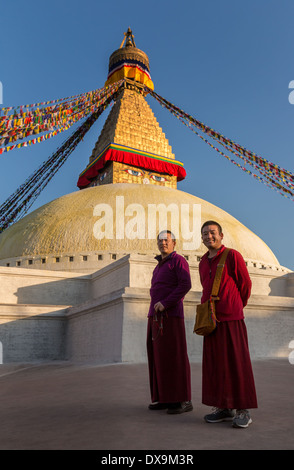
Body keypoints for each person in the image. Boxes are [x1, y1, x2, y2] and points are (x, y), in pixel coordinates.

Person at [198, 220, 258, 428]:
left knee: (236, 364)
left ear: (221, 235)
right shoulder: (203, 262)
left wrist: (235, 305)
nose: (209, 237)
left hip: (231, 318)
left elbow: (245, 285)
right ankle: (223, 407)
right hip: (211, 321)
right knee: (216, 365)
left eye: (212, 233)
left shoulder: (232, 255)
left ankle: (243, 410)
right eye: (205, 234)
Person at [146, 230, 193, 414]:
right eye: (160, 240)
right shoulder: (158, 266)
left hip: (171, 316)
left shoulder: (178, 261)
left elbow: (185, 285)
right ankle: (164, 397)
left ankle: (183, 400)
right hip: (155, 317)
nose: (163, 243)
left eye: (166, 240)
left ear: (174, 243)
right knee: (158, 359)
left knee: (175, 357)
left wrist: (165, 303)